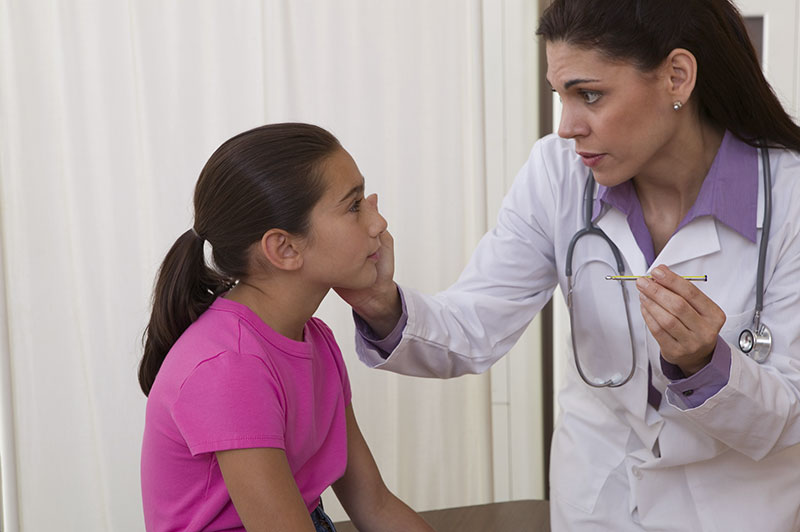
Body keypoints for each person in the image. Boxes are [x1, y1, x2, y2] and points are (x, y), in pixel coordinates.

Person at [335, 1, 800, 530]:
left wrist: (705, 365)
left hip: (734, 508)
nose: (566, 127)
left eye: (589, 95)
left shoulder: (789, 196)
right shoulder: (557, 173)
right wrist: (380, 304)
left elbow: (789, 416)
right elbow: (473, 327)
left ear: (676, 77)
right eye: (560, 95)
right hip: (598, 499)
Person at [138, 123, 435, 532]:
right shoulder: (230, 367)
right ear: (285, 248)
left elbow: (376, 505)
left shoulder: (315, 340)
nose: (378, 222)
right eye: (353, 207)